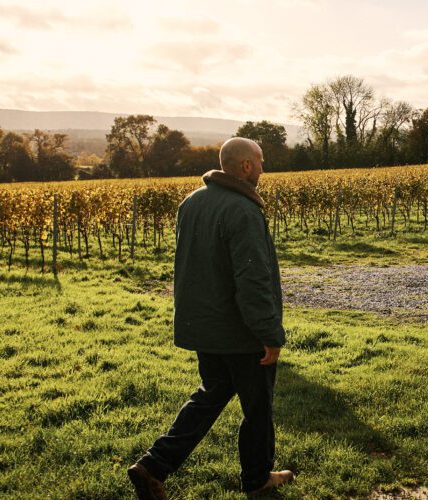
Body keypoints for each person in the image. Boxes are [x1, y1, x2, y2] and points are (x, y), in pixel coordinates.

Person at [128, 137, 293, 499]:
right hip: (240, 331)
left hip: (205, 326)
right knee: (258, 407)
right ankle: (258, 479)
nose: (264, 168)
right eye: (260, 161)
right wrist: (268, 332)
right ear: (245, 166)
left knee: (211, 394)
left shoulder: (191, 202)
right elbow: (252, 279)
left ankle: (153, 465)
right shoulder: (243, 210)